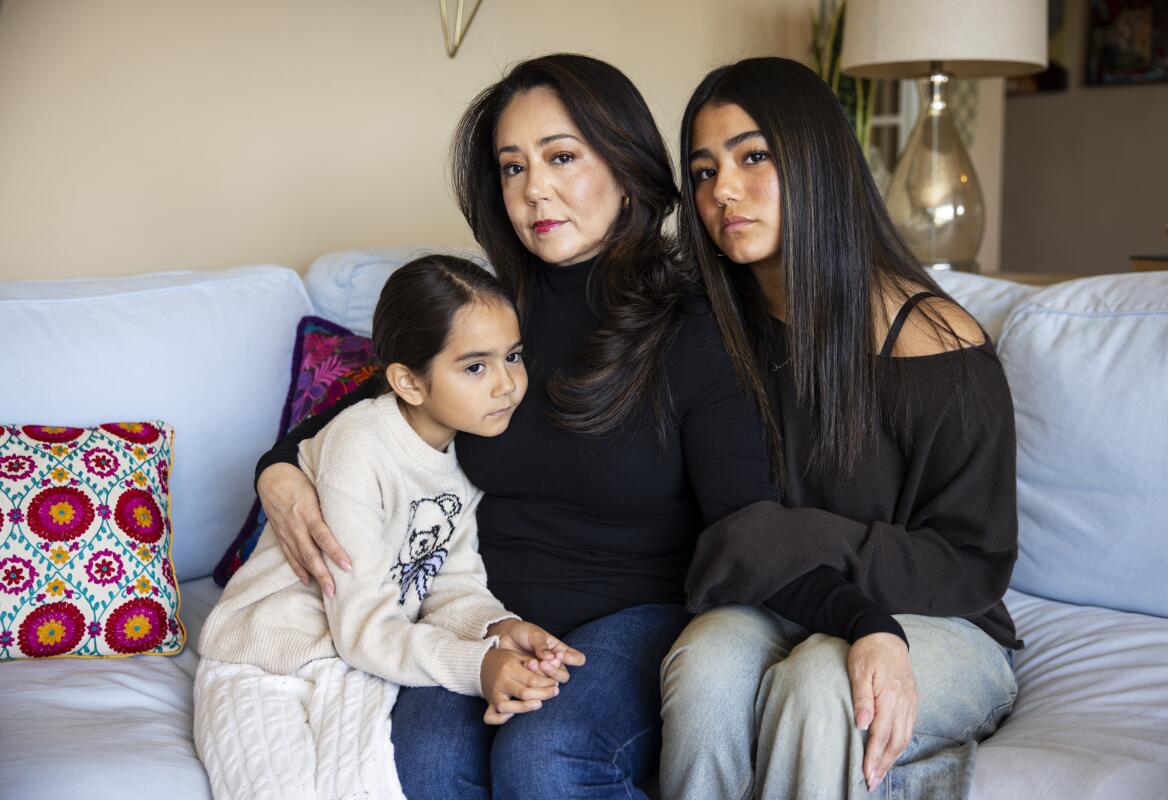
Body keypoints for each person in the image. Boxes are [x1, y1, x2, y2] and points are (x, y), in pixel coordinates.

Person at [251, 54, 899, 800]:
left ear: (625, 168)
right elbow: (370, 407)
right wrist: (277, 472)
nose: (535, 189)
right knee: (424, 761)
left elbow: (750, 525)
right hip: (486, 615)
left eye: (561, 157)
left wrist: (867, 624)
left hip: (637, 617)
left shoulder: (695, 327)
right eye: (513, 167)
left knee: (545, 757)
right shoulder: (490, 314)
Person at [658, 57, 1021, 800]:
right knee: (704, 666)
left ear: (817, 162)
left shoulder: (937, 344)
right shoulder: (711, 332)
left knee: (823, 685)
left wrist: (803, 539)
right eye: (703, 172)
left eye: (753, 157)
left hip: (943, 618)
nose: (722, 191)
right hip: (783, 600)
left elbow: (974, 561)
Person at [194, 256, 581, 800]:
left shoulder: (466, 454)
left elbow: (449, 582)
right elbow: (362, 627)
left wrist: (497, 628)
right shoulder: (359, 444)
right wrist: (476, 665)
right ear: (408, 382)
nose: (507, 385)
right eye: (476, 367)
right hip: (266, 660)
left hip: (358, 664)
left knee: (371, 788)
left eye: (512, 357)